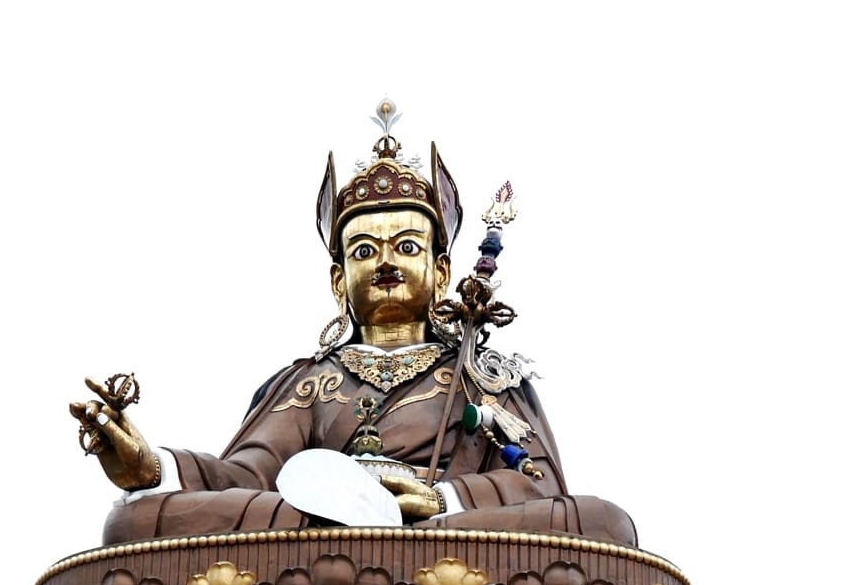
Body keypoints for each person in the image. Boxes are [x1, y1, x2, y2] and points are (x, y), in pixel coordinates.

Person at [72, 103, 638, 553]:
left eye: (407, 247)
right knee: (134, 519)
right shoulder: (311, 382)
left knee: (604, 522)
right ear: (340, 281)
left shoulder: (482, 378)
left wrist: (443, 499)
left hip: (444, 541)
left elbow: (537, 485)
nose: (387, 264)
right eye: (365, 251)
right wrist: (150, 466)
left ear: (440, 273)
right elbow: (248, 477)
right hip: (319, 533)